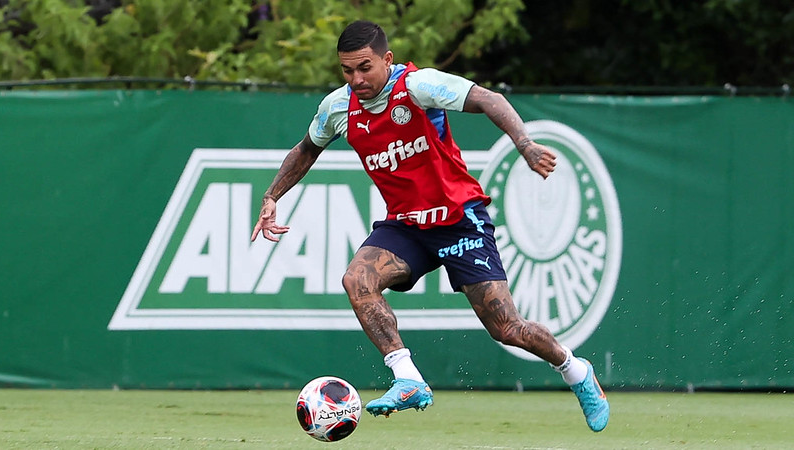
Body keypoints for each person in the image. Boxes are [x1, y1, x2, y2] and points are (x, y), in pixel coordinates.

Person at [251, 20, 610, 432]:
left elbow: (489, 98)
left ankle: (576, 371)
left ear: (387, 59)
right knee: (357, 280)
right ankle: (408, 379)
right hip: (406, 226)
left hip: (459, 219)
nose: (356, 79)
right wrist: (271, 196)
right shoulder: (337, 108)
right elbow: (306, 149)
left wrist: (525, 144)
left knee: (507, 328)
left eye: (365, 68)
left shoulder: (419, 86)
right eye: (347, 70)